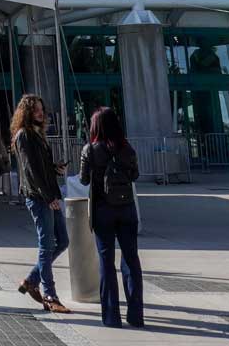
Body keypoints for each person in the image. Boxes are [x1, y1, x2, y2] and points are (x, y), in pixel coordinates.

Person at [78, 106, 145, 328]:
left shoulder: (90, 149)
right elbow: (135, 175)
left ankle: (111, 317)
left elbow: (84, 180)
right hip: (126, 210)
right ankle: (136, 315)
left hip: (102, 210)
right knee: (131, 260)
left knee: (106, 262)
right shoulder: (127, 148)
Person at [13, 93, 70, 313]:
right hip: (39, 198)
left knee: (63, 241)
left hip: (49, 195)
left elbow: (41, 168)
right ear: (26, 112)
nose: (40, 112)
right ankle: (50, 295)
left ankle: (31, 280)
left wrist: (55, 168)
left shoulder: (37, 135)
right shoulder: (24, 136)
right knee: (46, 246)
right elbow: (31, 171)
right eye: (35, 109)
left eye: (41, 108)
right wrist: (48, 198)